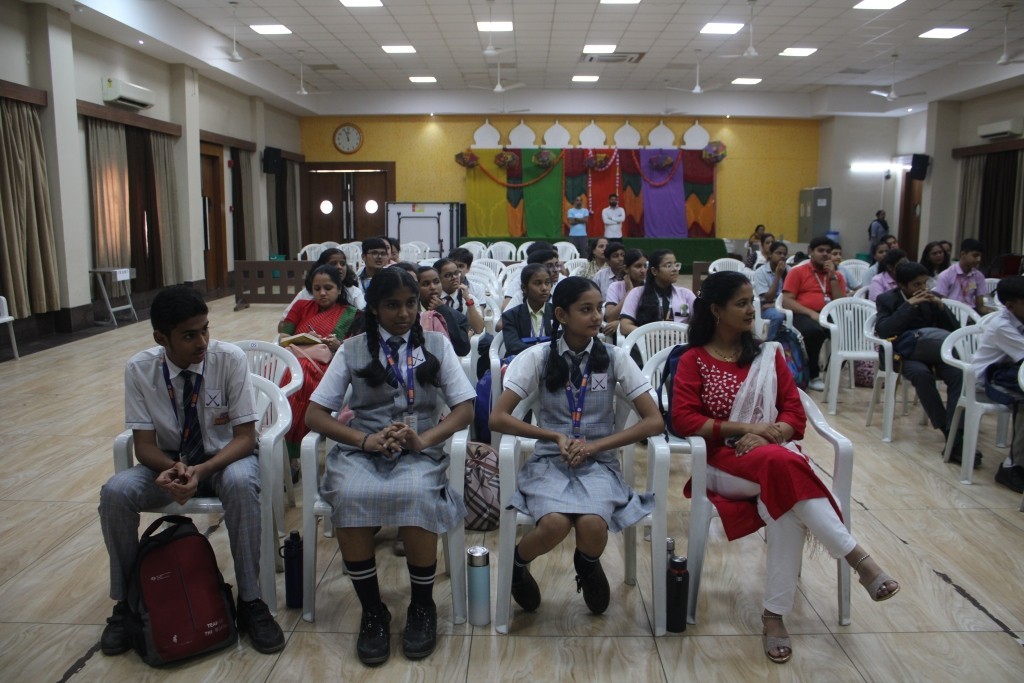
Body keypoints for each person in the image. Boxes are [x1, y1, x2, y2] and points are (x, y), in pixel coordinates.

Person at [671, 272, 900, 665]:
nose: (752, 309)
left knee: (785, 504)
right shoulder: (695, 359)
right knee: (785, 468)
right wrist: (746, 429)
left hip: (770, 456)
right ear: (716, 310)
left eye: (752, 301)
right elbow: (684, 419)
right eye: (741, 303)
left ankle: (774, 616)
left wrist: (770, 435)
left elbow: (794, 412)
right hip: (719, 463)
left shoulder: (768, 355)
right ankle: (858, 559)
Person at [98, 285, 285, 657]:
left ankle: (251, 602)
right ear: (161, 338)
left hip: (223, 461)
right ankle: (127, 604)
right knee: (116, 492)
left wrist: (201, 469)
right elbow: (143, 445)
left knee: (241, 484)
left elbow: (245, 437)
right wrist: (173, 470)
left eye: (205, 329)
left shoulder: (228, 359)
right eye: (188, 335)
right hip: (170, 464)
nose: (202, 342)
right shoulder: (140, 369)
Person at [305, 268, 475, 665]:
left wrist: (425, 439)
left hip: (419, 449)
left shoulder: (435, 343)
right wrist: (364, 440)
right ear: (374, 309)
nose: (403, 313)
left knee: (416, 494)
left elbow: (465, 409)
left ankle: (421, 606)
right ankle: (373, 611)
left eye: (410, 304)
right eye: (392, 305)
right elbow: (315, 415)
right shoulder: (353, 349)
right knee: (348, 494)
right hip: (363, 448)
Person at [489, 276, 664, 618]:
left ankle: (586, 565)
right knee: (553, 524)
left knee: (593, 525)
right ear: (561, 315)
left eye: (599, 308)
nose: (598, 316)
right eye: (586, 309)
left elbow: (654, 421)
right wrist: (553, 437)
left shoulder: (614, 357)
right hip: (549, 462)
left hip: (598, 464)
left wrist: (597, 447)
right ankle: (517, 566)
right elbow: (498, 417)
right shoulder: (538, 357)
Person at [875, 262, 965, 457]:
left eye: (925, 283)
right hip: (902, 353)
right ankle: (948, 431)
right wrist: (908, 306)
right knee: (921, 374)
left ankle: (957, 430)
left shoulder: (932, 298)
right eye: (916, 284)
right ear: (902, 285)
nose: (922, 288)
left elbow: (955, 331)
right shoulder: (887, 299)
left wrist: (941, 307)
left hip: (933, 353)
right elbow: (884, 330)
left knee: (958, 373)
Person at [279, 265, 364, 462]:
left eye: (328, 288)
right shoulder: (301, 307)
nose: (322, 293)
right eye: (317, 289)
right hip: (293, 359)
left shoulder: (351, 314)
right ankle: (279, 442)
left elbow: (356, 348)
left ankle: (293, 449)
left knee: (303, 374)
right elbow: (283, 337)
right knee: (288, 372)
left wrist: (338, 345)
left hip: (329, 367)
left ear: (339, 289)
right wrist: (304, 338)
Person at [972, 276, 1024, 493]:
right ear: (1010, 306)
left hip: (1012, 374)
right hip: (987, 380)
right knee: (1023, 402)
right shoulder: (1001, 325)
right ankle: (1011, 467)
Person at [781, 236, 847, 391]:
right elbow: (787, 301)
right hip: (803, 314)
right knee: (814, 332)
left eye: (828, 251)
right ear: (811, 252)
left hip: (829, 314)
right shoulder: (798, 272)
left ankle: (831, 374)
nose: (825, 254)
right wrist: (811, 313)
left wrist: (832, 277)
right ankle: (813, 375)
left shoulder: (837, 276)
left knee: (846, 334)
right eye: (820, 250)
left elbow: (840, 302)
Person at [279, 248, 365, 331]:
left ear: (339, 290)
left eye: (342, 264)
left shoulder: (354, 293)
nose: (339, 267)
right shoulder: (305, 296)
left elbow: (364, 321)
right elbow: (282, 325)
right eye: (333, 263)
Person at [618, 249, 696, 337]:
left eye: (676, 265)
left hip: (680, 343)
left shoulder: (686, 294)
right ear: (654, 271)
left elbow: (701, 322)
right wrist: (654, 335)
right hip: (647, 343)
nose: (675, 269)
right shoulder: (637, 293)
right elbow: (624, 327)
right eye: (669, 265)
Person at [416, 266, 471, 357]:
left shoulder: (457, 316)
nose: (433, 287)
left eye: (436, 282)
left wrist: (443, 310)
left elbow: (463, 349)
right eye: (425, 284)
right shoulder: (411, 315)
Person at [500, 263, 555, 356]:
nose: (544, 288)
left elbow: (562, 341)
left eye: (547, 283)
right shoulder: (511, 316)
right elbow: (513, 346)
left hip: (551, 360)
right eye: (538, 283)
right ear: (524, 288)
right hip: (521, 360)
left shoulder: (557, 313)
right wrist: (540, 353)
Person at [932, 238, 989, 315]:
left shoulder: (978, 276)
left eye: (980, 256)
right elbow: (943, 306)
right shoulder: (945, 275)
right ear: (963, 254)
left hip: (972, 313)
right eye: (975, 256)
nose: (978, 260)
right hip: (951, 314)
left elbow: (980, 307)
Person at [603, 249, 647, 339]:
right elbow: (610, 318)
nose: (643, 270)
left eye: (645, 266)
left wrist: (620, 323)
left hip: (644, 335)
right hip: (620, 337)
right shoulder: (615, 287)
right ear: (626, 269)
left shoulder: (649, 288)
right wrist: (630, 291)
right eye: (638, 266)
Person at [434, 258, 484, 335]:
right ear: (438, 278)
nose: (454, 277)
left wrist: (468, 301)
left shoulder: (469, 299)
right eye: (448, 275)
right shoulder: (434, 298)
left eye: (456, 273)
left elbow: (479, 329)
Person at [752, 240, 789, 341]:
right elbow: (768, 298)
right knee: (777, 315)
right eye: (778, 253)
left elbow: (794, 295)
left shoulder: (790, 271)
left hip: (786, 305)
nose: (782, 256)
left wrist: (775, 305)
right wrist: (778, 275)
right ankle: (768, 343)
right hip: (766, 308)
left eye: (784, 254)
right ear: (770, 254)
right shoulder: (761, 272)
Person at [566, 195, 591, 259]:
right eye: (577, 200)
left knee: (584, 253)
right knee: (573, 253)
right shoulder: (570, 211)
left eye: (580, 200)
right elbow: (571, 222)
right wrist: (581, 220)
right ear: (574, 201)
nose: (579, 202)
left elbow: (586, 220)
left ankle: (585, 265)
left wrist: (575, 219)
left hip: (583, 235)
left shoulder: (585, 210)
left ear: (582, 202)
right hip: (573, 235)